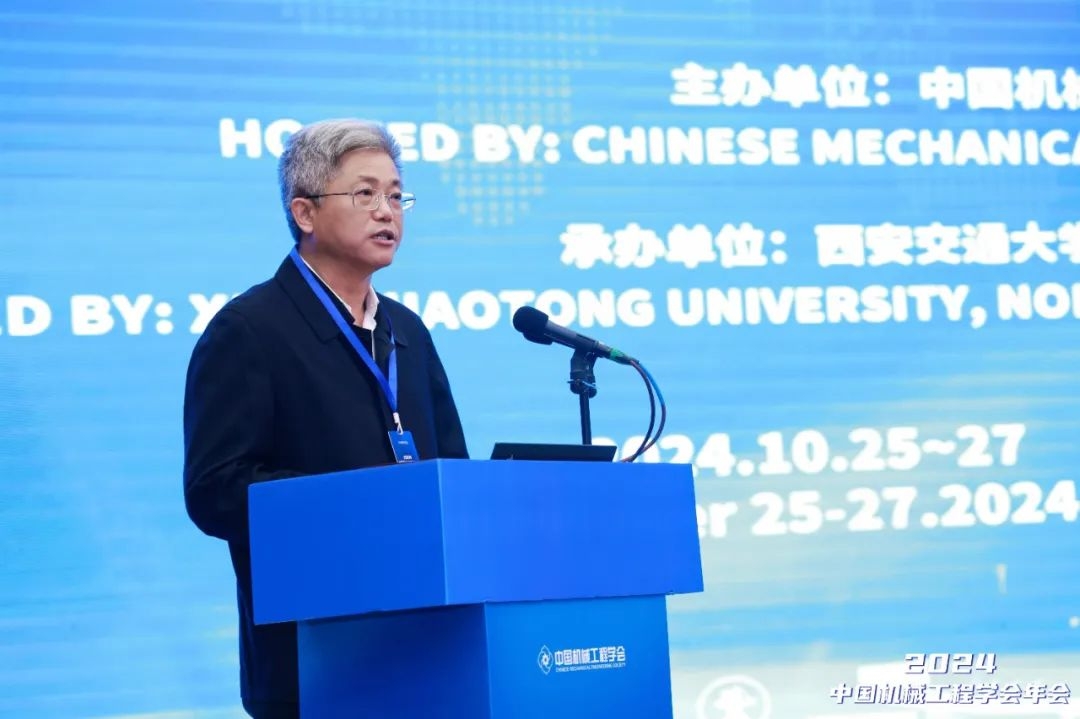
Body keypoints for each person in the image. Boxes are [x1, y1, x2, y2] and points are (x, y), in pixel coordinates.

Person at [182, 118, 469, 719]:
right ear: (305, 212)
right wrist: (352, 504)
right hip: (312, 661)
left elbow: (452, 471)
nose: (387, 211)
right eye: (365, 193)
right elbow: (214, 490)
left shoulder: (407, 330)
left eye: (396, 195)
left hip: (430, 652)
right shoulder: (249, 329)